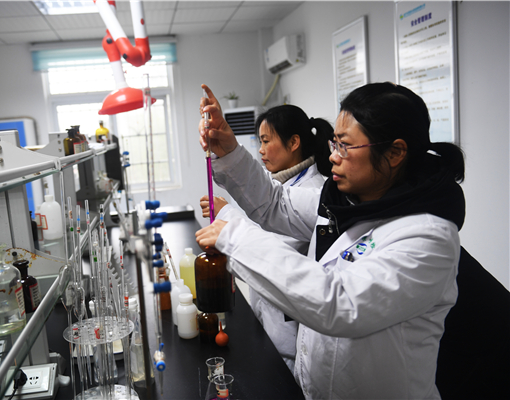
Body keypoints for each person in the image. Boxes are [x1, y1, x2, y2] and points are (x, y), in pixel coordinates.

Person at [195, 82, 465, 399]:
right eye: (334, 143)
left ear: (395, 153)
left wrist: (235, 236)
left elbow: (339, 303)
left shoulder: (428, 237)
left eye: (345, 146)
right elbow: (274, 203)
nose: (333, 156)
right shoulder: (346, 201)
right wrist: (228, 150)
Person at [199, 99, 333, 373]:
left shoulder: (315, 191)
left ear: (294, 142)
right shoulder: (282, 181)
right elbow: (267, 203)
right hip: (269, 318)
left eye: (266, 141)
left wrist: (228, 221)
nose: (260, 150)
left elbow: (276, 248)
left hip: (291, 335)